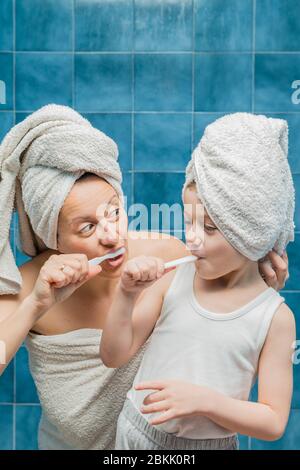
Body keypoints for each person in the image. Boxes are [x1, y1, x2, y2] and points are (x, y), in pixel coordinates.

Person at [0, 106, 289, 450]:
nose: (112, 236)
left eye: (115, 212)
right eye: (88, 227)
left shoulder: (165, 255)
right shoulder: (30, 285)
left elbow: (222, 311)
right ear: (53, 237)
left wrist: (257, 278)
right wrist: (35, 305)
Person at [100, 113, 296, 450]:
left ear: (250, 233)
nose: (192, 239)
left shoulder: (274, 318)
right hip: (137, 437)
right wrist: (126, 294)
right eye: (187, 221)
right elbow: (113, 356)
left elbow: (273, 421)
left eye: (208, 228)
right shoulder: (173, 279)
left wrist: (205, 401)